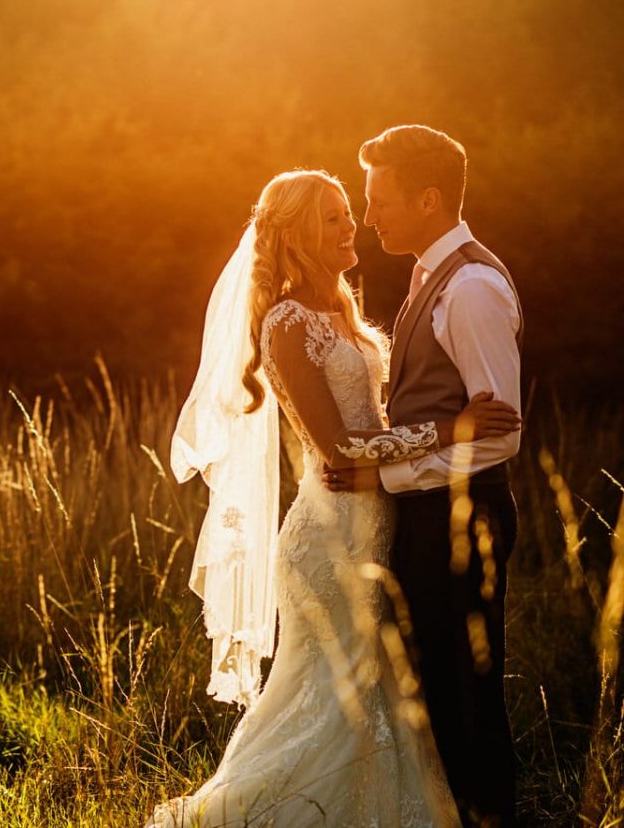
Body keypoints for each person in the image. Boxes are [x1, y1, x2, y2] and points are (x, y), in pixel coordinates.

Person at [150, 167, 521, 827]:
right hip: (330, 535)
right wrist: (452, 427)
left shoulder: (342, 309)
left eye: (349, 211)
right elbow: (342, 449)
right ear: (295, 234)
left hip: (379, 516)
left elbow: (372, 429)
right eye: (332, 217)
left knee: (371, 688)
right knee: (330, 692)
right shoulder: (287, 323)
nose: (351, 225)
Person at [324, 125, 523, 827]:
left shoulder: (469, 286)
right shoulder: (428, 275)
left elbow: (497, 434)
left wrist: (394, 471)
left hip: (462, 513)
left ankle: (489, 816)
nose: (369, 215)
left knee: (466, 690)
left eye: (380, 200)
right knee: (433, 686)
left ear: (430, 198)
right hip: (426, 513)